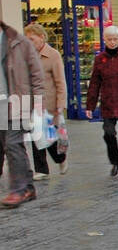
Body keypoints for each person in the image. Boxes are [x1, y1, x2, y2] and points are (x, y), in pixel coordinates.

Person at [85, 25, 118, 178]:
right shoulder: (100, 59)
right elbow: (95, 83)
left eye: (115, 39)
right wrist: (90, 105)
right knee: (108, 133)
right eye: (109, 39)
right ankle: (116, 160)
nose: (113, 42)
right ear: (104, 40)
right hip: (108, 103)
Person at [1, 20, 44, 208]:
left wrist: (39, 103)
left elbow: (36, 73)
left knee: (12, 144)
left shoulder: (19, 42)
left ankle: (17, 190)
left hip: (18, 102)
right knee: (11, 145)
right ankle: (28, 186)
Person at [24, 23, 68, 178]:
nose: (29, 42)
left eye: (32, 39)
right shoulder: (27, 56)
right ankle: (41, 169)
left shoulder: (53, 55)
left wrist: (60, 104)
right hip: (33, 103)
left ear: (41, 37)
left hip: (49, 103)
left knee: (50, 138)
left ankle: (60, 158)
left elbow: (60, 81)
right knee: (36, 135)